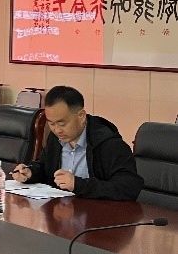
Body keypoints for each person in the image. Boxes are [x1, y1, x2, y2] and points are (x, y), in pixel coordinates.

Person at [12, 86, 143, 200]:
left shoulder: (108, 144)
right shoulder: (55, 138)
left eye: (62, 123)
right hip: (61, 211)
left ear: (81, 116)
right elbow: (45, 168)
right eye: (51, 124)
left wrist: (78, 184)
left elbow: (129, 188)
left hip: (97, 215)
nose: (57, 130)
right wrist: (30, 173)